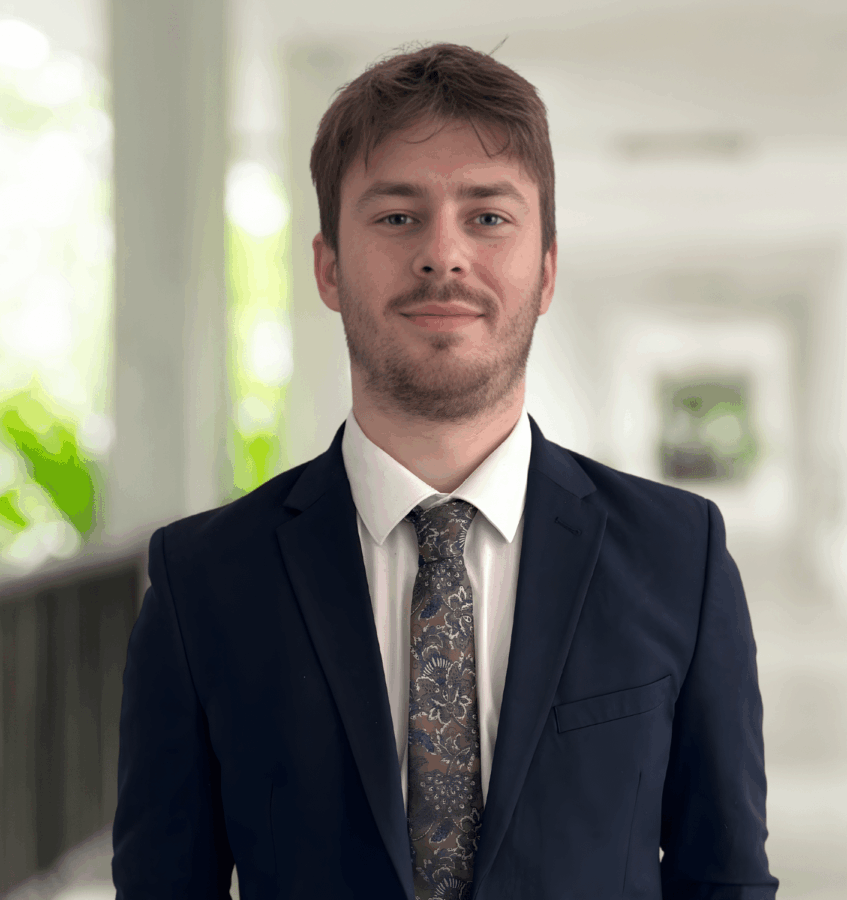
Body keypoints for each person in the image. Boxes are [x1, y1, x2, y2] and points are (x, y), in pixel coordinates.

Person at [111, 41, 779, 900]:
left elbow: (723, 880)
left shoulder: (676, 555)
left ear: (544, 271)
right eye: (396, 217)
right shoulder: (202, 578)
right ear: (327, 268)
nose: (442, 255)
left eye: (488, 217)